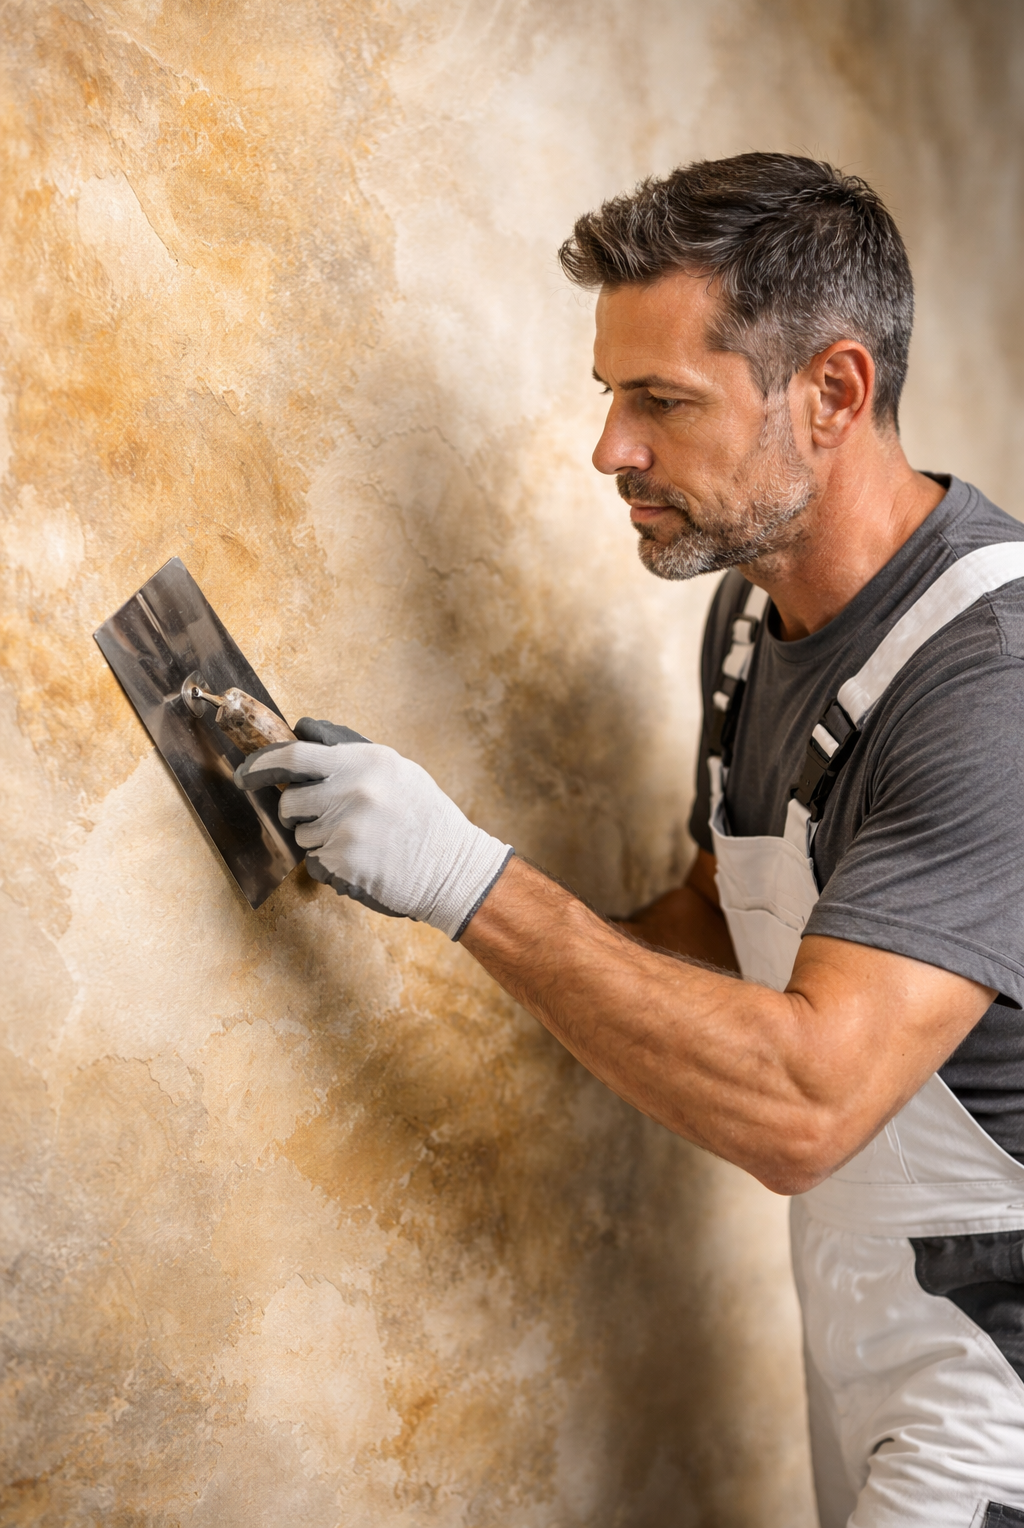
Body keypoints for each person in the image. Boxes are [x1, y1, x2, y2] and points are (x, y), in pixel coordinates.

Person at [236, 155, 1024, 1528]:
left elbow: (808, 1105)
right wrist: (403, 911)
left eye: (661, 401)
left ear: (834, 393)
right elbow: (725, 922)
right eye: (612, 395)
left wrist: (468, 876)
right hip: (863, 1332)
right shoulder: (750, 619)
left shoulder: (992, 684)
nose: (612, 449)